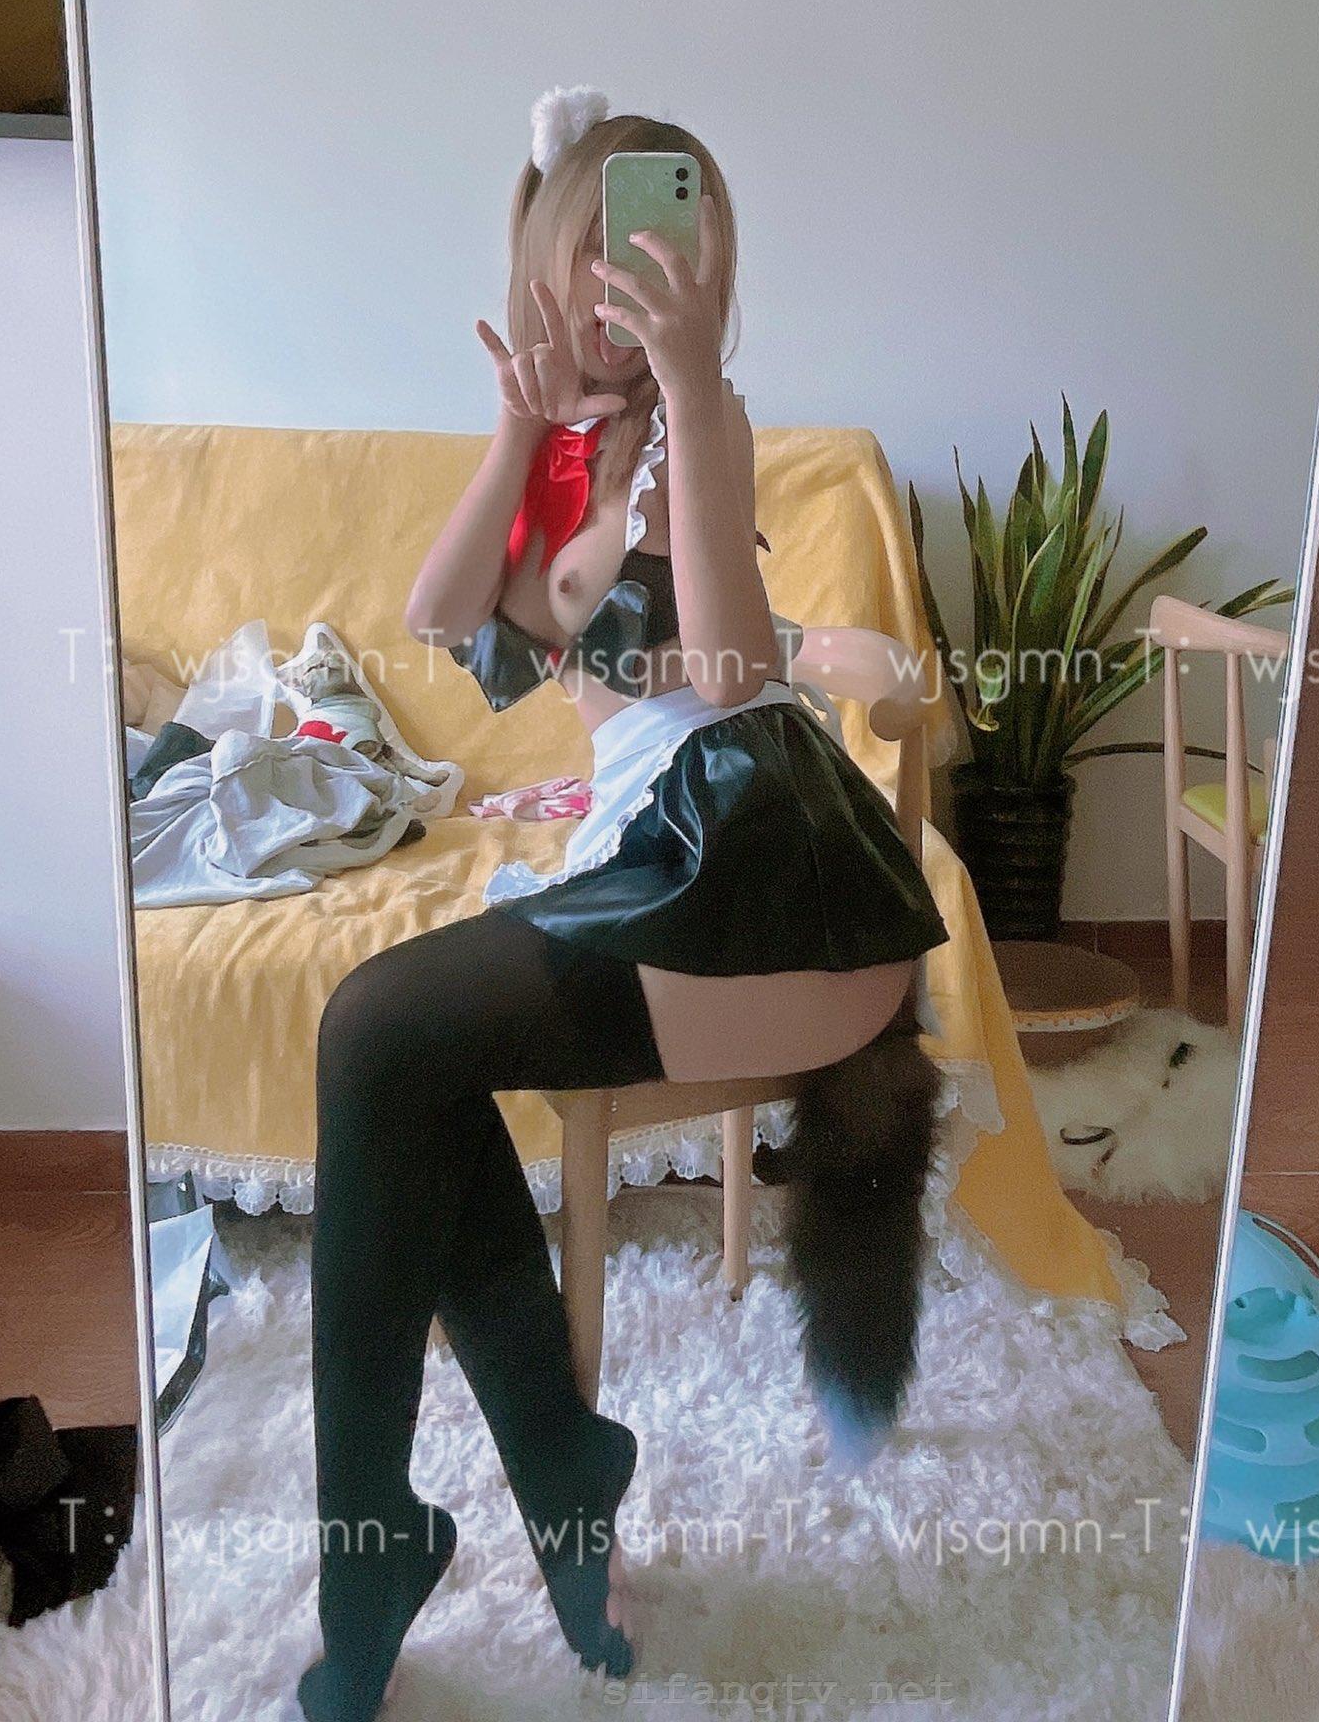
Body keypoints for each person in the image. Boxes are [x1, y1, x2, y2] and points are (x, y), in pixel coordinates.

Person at [298, 89, 949, 1720]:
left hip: (764, 858)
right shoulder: (569, 454)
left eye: (660, 244)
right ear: (539, 262)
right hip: (662, 854)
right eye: (590, 252)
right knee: (398, 1056)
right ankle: (539, 1478)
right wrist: (516, 436)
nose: (622, 284)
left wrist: (699, 395)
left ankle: (399, 1539)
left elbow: (724, 670)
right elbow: (446, 616)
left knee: (377, 1030)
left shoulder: (690, 429)